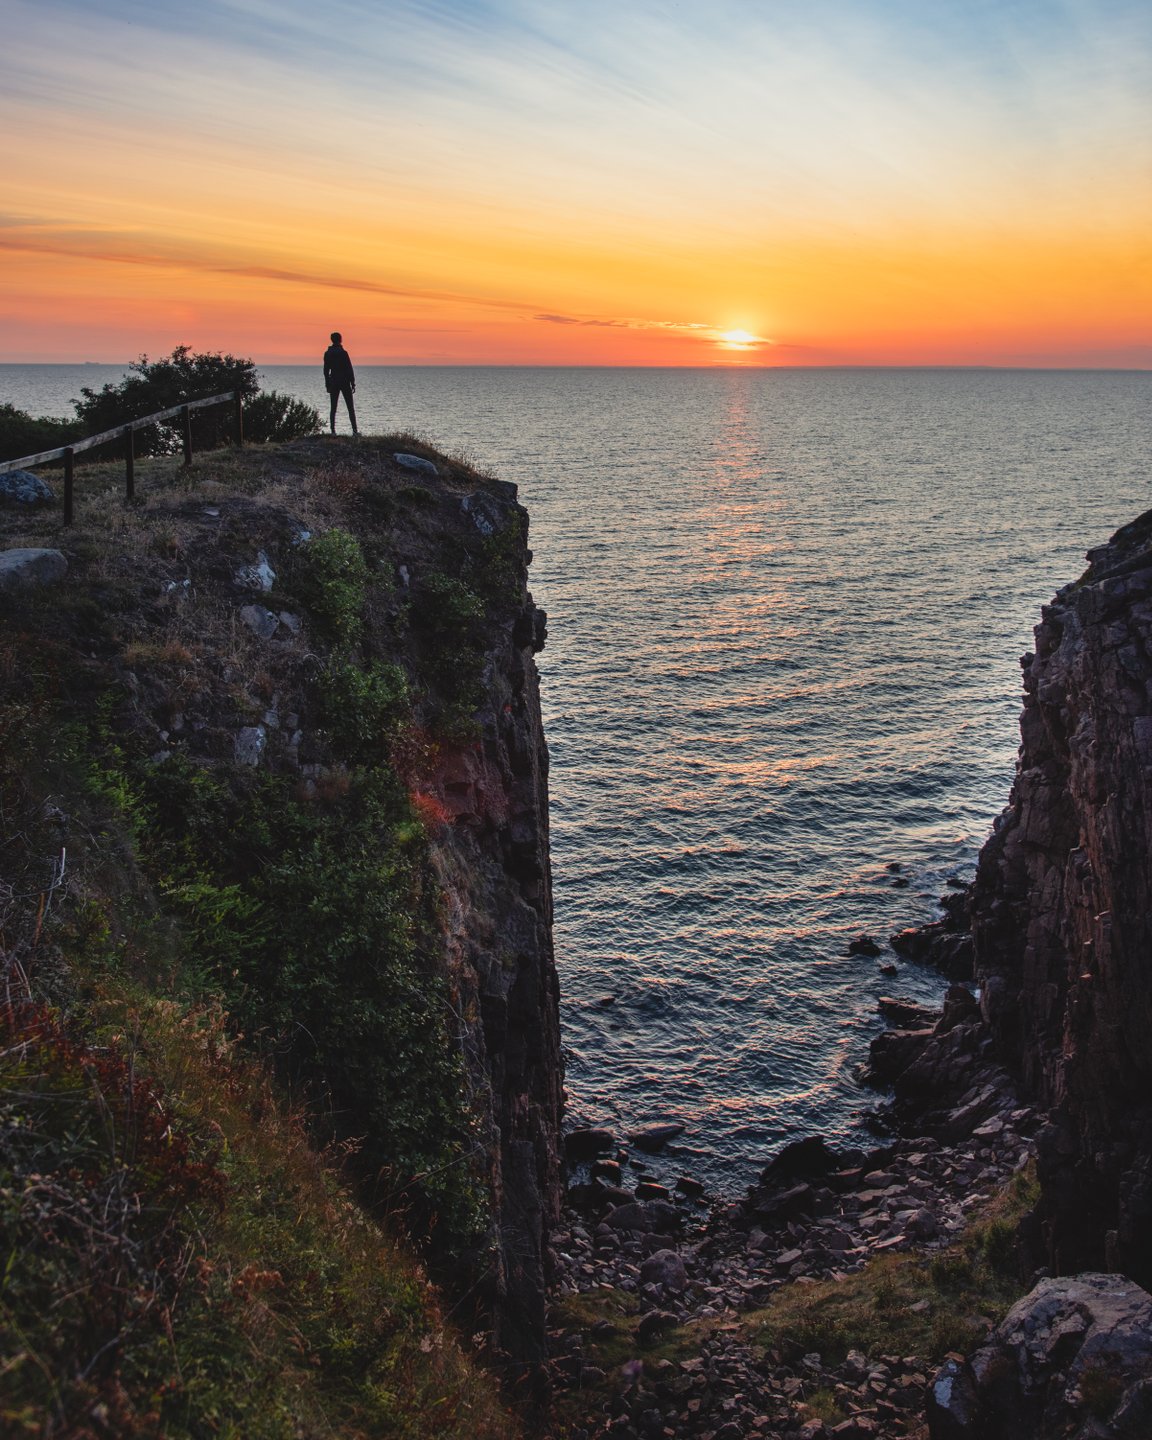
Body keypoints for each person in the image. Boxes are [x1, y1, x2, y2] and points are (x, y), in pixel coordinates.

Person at [323, 332, 358, 436]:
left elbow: (325, 371)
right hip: (344, 381)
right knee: (350, 407)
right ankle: (355, 431)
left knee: (333, 407)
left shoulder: (328, 353)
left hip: (333, 381)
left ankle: (333, 431)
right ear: (340, 339)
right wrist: (352, 382)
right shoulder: (343, 353)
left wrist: (327, 383)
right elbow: (349, 368)